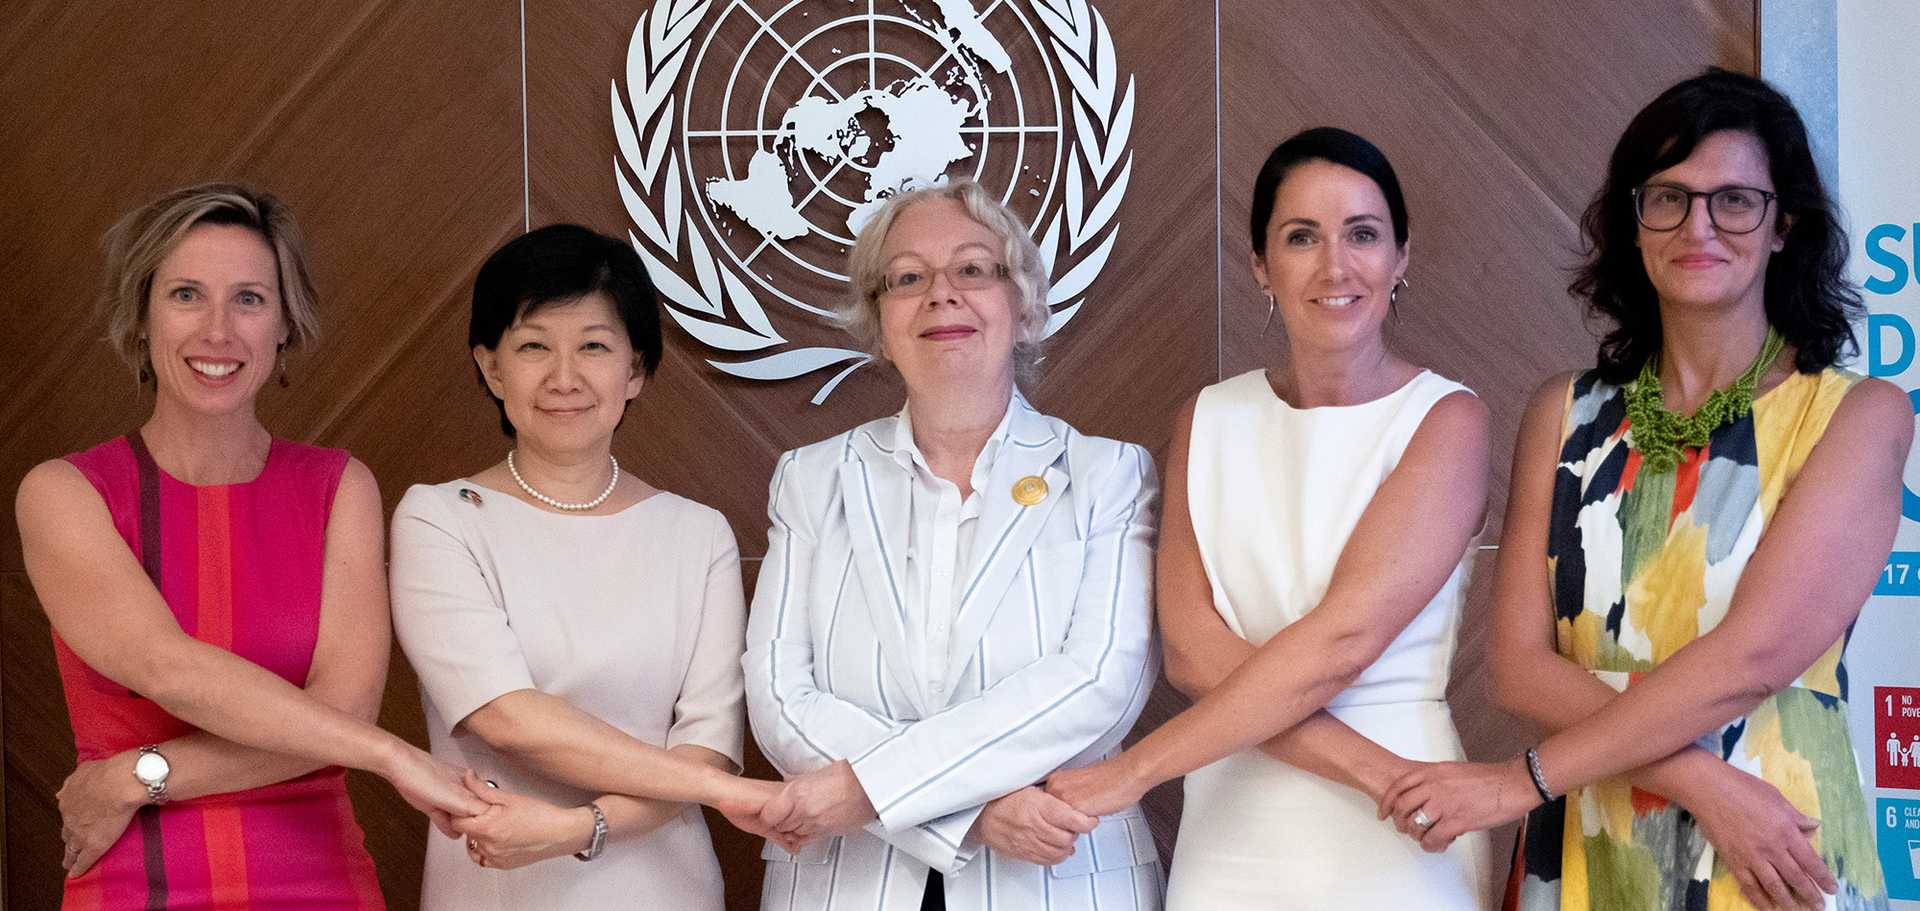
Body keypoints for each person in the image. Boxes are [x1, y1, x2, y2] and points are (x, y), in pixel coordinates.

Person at [1375, 69, 1907, 911]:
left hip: (1772, 844)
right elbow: (1516, 670)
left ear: (1784, 225)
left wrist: (1522, 781)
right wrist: (1702, 781)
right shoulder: (1562, 411)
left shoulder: (1859, 414)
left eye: (1734, 199)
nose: (1699, 224)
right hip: (1595, 841)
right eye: (1669, 197)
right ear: (1636, 221)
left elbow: (1754, 658)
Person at [1043, 127, 1493, 908]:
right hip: (1246, 815)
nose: (1335, 265)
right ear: (1261, 265)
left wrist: (1136, 769)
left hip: (1403, 832)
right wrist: (1373, 771)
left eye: (1362, 235)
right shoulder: (1207, 416)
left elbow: (1343, 645)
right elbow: (1189, 653)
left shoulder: (1448, 418)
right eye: (1300, 237)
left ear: (1400, 259)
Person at [16, 182, 487, 909]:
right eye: (185, 295)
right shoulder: (64, 493)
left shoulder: (339, 487)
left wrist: (134, 775)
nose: (218, 330)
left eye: (248, 299)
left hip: (322, 883)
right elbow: (166, 666)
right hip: (136, 888)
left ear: (284, 325)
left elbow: (344, 710)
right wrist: (392, 755)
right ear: (141, 316)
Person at [742, 178, 1163, 911]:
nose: (941, 294)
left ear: (1024, 309)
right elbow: (780, 696)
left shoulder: (1107, 473)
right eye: (907, 278)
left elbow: (1100, 682)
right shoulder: (811, 479)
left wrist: (872, 787)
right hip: (847, 885)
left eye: (973, 268)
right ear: (879, 322)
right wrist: (970, 813)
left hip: (1059, 883)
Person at [387, 224, 780, 910]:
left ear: (634, 370)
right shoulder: (438, 518)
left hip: (669, 892)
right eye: (534, 345)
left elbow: (707, 751)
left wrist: (579, 827)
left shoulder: (696, 534)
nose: (564, 377)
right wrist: (721, 793)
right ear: (491, 367)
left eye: (594, 346)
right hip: (497, 890)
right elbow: (507, 717)